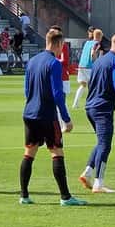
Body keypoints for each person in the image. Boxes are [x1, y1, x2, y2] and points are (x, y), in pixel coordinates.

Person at [19, 29, 87, 206]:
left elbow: (27, 90)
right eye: (62, 46)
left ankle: (24, 196)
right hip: (47, 115)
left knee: (29, 152)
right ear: (58, 44)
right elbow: (58, 94)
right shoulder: (54, 64)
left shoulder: (32, 61)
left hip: (29, 113)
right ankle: (65, 197)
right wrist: (66, 118)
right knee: (56, 151)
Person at [78, 33, 115, 193]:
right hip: (102, 108)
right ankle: (99, 183)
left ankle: (87, 172)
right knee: (105, 144)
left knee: (101, 142)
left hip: (90, 107)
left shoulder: (99, 61)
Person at [73, 28, 103, 109]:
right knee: (93, 85)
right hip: (89, 67)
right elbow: (92, 53)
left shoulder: (87, 42)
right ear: (100, 36)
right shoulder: (97, 43)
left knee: (83, 85)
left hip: (82, 65)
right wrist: (96, 62)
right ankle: (91, 103)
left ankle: (75, 104)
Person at [50, 25, 72, 129]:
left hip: (62, 76)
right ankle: (60, 123)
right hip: (55, 75)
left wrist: (52, 61)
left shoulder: (63, 46)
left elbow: (65, 60)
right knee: (55, 102)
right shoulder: (52, 47)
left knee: (61, 101)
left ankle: (65, 123)